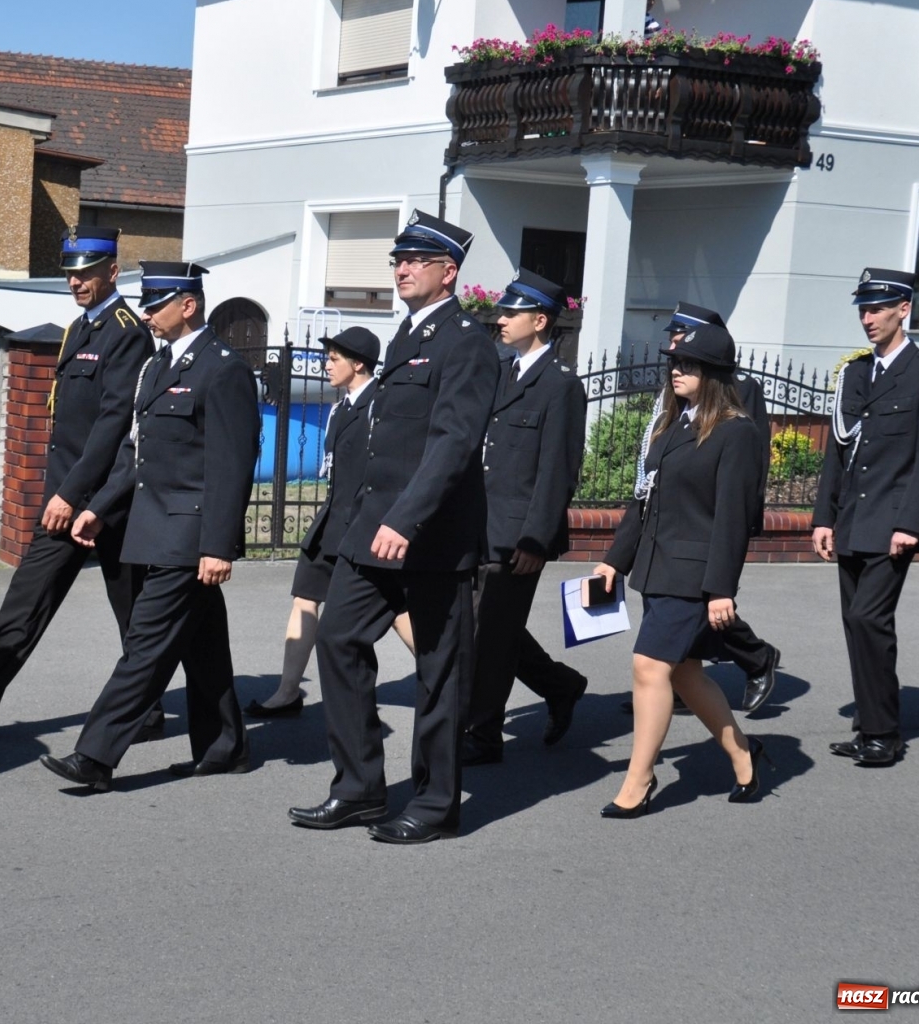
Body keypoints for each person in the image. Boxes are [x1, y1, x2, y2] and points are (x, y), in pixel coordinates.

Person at [288, 211, 498, 845]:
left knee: (439, 671)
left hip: (431, 536)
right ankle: (359, 788)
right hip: (373, 530)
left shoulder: (465, 341)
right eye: (397, 260)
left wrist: (407, 518)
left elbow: (453, 442)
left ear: (448, 271)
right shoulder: (407, 335)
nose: (401, 269)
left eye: (414, 261)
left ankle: (436, 805)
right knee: (339, 640)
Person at [0, 226, 162, 737]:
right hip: (68, 497)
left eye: (86, 273)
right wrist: (62, 492)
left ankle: (147, 709)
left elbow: (114, 424)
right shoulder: (79, 330)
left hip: (107, 500)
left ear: (112, 272)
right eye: (70, 273)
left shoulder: (126, 332)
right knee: (28, 596)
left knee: (133, 610)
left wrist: (73, 494)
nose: (75, 282)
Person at [40, 261, 260, 789]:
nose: (147, 314)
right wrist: (99, 507)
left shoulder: (223, 369)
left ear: (189, 305)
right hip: (152, 528)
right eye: (146, 304)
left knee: (145, 645)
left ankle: (94, 757)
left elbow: (232, 465)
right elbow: (134, 453)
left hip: (189, 535)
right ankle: (224, 746)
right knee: (203, 647)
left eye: (157, 304)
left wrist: (218, 546)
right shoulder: (157, 367)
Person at [594, 324, 768, 817]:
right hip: (656, 569)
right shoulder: (673, 425)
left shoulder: (737, 432)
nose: (676, 370)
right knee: (687, 673)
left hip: (694, 577)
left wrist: (721, 589)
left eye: (689, 364)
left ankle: (639, 779)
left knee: (649, 667)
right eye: (674, 363)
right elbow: (644, 501)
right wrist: (614, 560)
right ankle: (744, 755)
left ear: (714, 374)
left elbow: (733, 518)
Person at [814, 268, 919, 767]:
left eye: (876, 309)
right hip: (853, 518)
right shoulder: (856, 372)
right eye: (863, 309)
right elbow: (837, 451)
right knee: (856, 625)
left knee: (868, 618)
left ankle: (884, 733)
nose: (867, 318)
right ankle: (871, 726)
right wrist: (824, 517)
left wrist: (910, 522)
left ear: (904, 309)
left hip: (893, 519)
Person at [244, 326, 414, 718]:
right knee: (305, 597)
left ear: (359, 365)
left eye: (334, 359)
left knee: (396, 608)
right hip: (331, 524)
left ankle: (445, 685)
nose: (326, 365)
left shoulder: (378, 406)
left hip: (364, 527)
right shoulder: (341, 409)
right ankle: (287, 692)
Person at [463, 270, 588, 766]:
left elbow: (558, 471)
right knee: (490, 626)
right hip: (480, 523)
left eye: (512, 313)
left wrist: (535, 539)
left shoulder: (560, 385)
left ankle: (482, 734)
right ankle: (559, 685)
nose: (501, 319)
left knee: (491, 635)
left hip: (517, 534)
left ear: (539, 321)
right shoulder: (501, 371)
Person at [633, 302, 783, 714]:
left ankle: (755, 658)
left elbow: (743, 473)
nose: (674, 350)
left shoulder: (734, 396)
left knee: (700, 615)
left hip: (701, 532)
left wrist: (723, 582)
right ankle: (733, 740)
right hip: (666, 532)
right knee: (683, 652)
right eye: (673, 343)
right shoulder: (678, 389)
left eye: (681, 339)